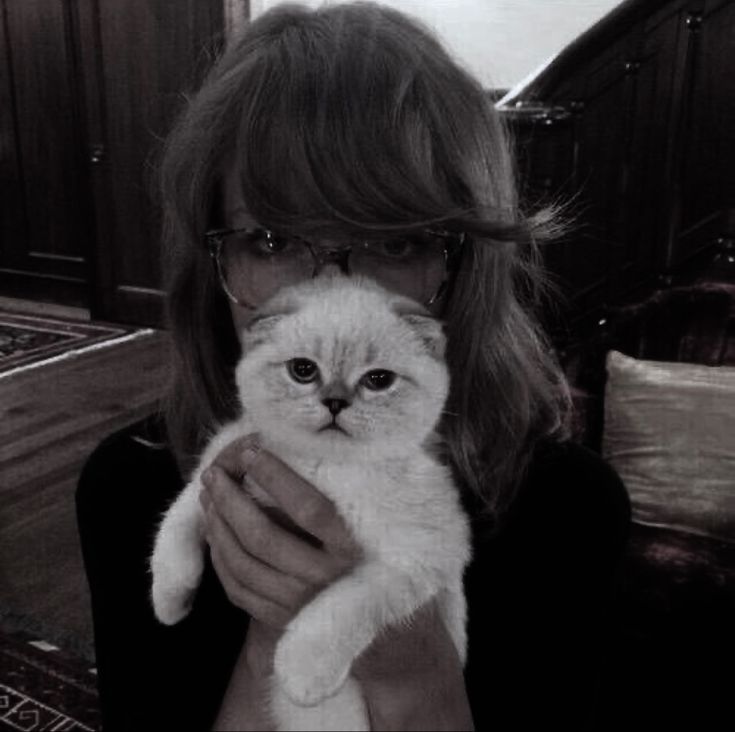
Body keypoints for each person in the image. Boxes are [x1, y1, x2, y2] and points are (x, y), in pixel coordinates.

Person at [76, 3, 631, 730]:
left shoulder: (565, 507)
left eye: (394, 242)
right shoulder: (132, 482)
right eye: (272, 240)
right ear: (210, 259)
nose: (331, 292)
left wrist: (409, 663)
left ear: (466, 262)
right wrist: (271, 633)